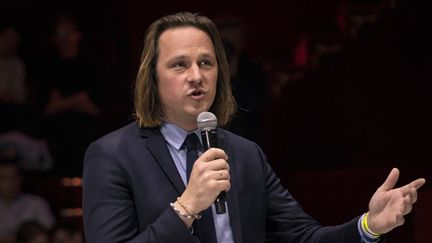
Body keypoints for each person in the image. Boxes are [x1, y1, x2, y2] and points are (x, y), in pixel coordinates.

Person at [82, 12, 426, 243]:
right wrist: (187, 206)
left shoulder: (244, 154)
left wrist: (369, 225)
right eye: (179, 65)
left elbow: (304, 237)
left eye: (206, 62)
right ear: (153, 79)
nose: (197, 76)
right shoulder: (112, 156)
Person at [38, 14, 101, 175]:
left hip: (87, 134)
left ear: (77, 35)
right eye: (61, 34)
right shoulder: (48, 67)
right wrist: (78, 100)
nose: (65, 39)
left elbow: (94, 109)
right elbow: (48, 108)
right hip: (57, 135)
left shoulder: (91, 65)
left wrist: (63, 103)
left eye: (69, 33)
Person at [0, 150, 55, 242]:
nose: (10, 183)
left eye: (14, 177)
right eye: (4, 178)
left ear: (21, 178)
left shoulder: (37, 203)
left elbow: (50, 234)